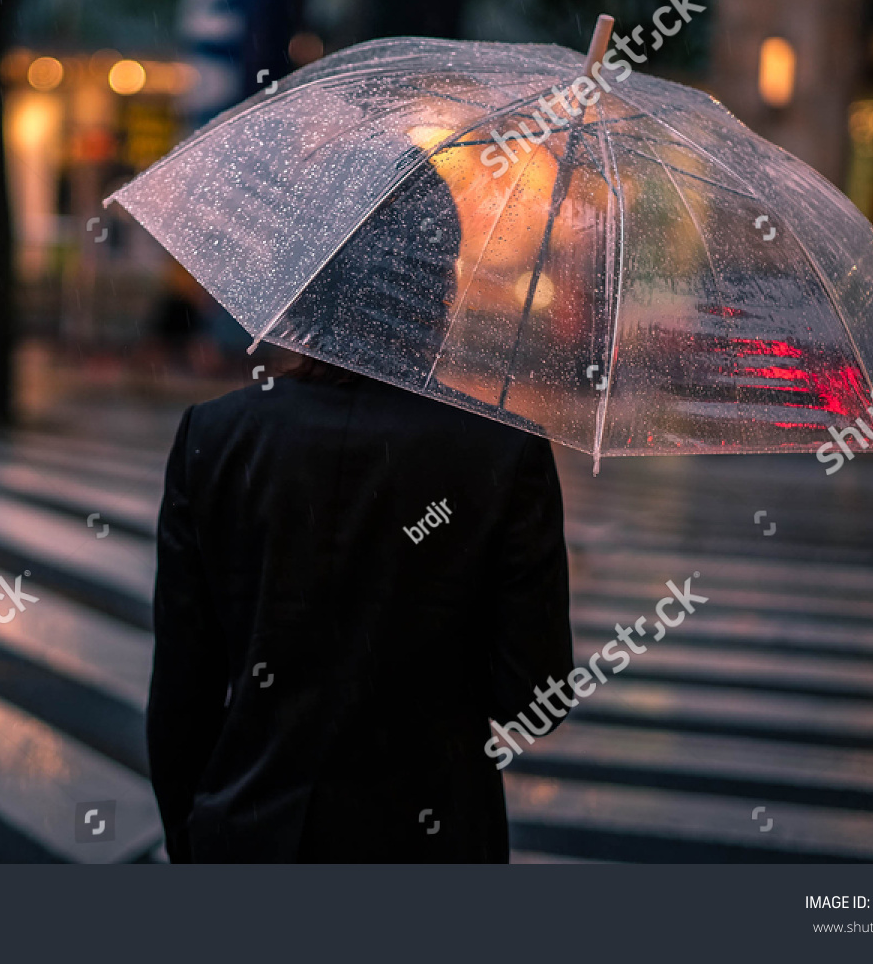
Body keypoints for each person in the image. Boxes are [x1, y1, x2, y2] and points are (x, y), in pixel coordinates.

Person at [147, 162, 575, 862]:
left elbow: (182, 692)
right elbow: (537, 696)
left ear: (315, 283)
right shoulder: (502, 453)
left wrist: (192, 837)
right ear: (437, 285)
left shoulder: (215, 437)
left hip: (252, 835)